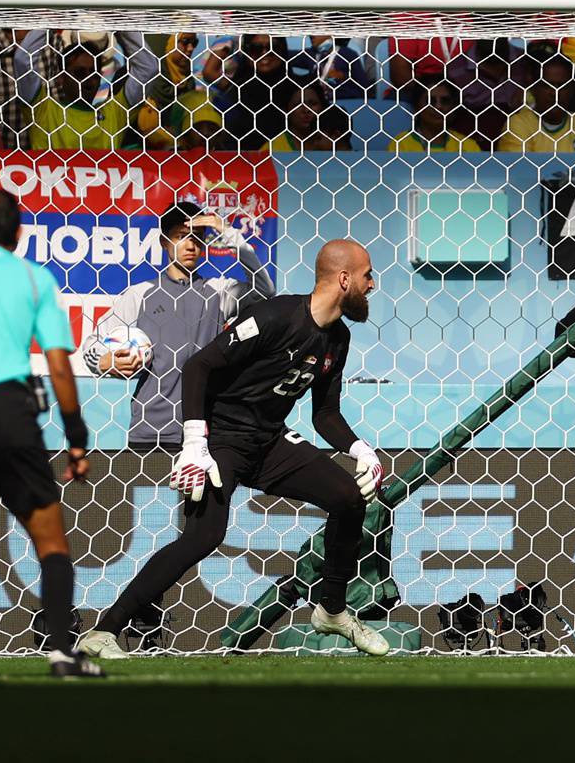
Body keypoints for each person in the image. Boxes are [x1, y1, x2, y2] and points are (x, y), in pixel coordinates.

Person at [78, 240, 391, 662]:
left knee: (349, 499)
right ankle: (103, 631)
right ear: (344, 279)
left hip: (270, 441)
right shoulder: (275, 316)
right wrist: (193, 444)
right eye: (368, 274)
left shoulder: (338, 339)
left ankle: (332, 610)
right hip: (219, 440)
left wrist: (360, 449)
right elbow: (198, 366)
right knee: (203, 538)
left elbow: (325, 415)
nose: (373, 284)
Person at [0, 188, 100, 678]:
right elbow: (59, 367)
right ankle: (62, 655)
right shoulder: (34, 277)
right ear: (19, 233)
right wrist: (76, 437)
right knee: (51, 544)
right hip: (8, 411)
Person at [85, 200, 274, 448]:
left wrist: (229, 234)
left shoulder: (218, 292)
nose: (191, 245)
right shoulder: (140, 294)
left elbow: (265, 290)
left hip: (206, 430)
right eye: (182, 236)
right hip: (151, 428)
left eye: (198, 237)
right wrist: (104, 361)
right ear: (165, 242)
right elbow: (92, 344)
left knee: (203, 489)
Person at [500, 56, 575, 152]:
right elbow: (522, 170)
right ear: (533, 89)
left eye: (561, 85)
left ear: (572, 90)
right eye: (547, 85)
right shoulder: (518, 124)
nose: (554, 92)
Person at [389, 78, 482, 152]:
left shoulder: (468, 145)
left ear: (453, 107)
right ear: (417, 107)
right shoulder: (400, 144)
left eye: (445, 101)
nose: (438, 106)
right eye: (430, 101)